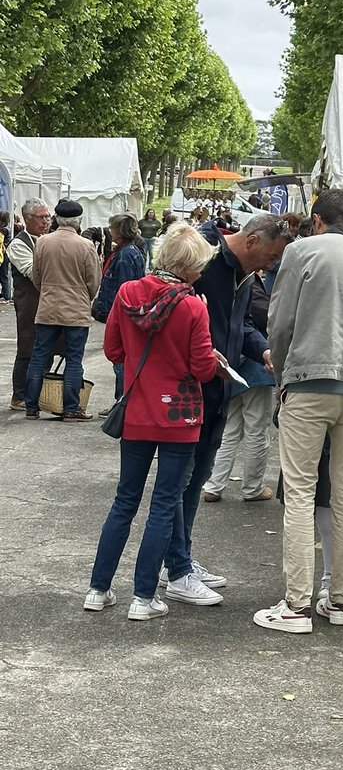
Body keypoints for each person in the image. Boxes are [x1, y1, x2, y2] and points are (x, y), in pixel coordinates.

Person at [254, 188, 343, 634]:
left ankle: (296, 605)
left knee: (299, 491)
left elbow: (281, 320)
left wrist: (280, 370)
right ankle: (339, 601)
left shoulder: (302, 252)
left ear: (316, 220)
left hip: (310, 380)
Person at [83, 222, 224, 621]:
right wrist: (213, 358)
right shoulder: (194, 305)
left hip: (138, 410)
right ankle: (143, 598)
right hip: (181, 415)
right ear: (189, 266)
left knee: (124, 501)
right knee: (165, 503)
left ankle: (99, 588)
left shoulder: (129, 294)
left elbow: (113, 350)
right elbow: (201, 367)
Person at [162, 213, 290, 607]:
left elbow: (241, 324)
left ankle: (180, 559)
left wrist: (263, 348)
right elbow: (174, 309)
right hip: (194, 387)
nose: (271, 266)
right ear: (251, 241)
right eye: (270, 256)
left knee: (196, 476)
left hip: (220, 387)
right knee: (181, 481)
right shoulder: (207, 257)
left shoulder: (243, 272)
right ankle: (177, 569)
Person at [23, 199, 102, 423]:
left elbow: (36, 277)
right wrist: (84, 297)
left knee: (38, 357)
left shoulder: (43, 242)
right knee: (74, 359)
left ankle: (31, 406)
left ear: (57, 219)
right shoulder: (85, 246)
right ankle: (71, 408)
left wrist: (48, 291)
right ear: (78, 221)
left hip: (48, 307)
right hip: (76, 309)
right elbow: (94, 281)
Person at [201, 267, 276, 503]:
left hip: (230, 366)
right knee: (257, 428)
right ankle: (252, 487)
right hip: (256, 366)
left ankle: (214, 485)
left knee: (230, 428)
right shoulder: (248, 280)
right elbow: (264, 316)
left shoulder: (221, 277)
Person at [94, 214, 147, 402]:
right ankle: (123, 402)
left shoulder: (125, 255)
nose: (109, 230)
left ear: (120, 230)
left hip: (122, 315)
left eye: (112, 227)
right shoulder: (129, 251)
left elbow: (125, 290)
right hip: (123, 314)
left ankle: (122, 403)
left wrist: (119, 316)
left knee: (121, 361)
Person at [8, 199, 53, 411]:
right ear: (27, 219)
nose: (46, 221)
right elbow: (30, 270)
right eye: (41, 217)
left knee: (49, 347)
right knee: (27, 347)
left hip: (49, 301)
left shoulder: (50, 240)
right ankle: (19, 396)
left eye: (48, 216)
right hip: (28, 303)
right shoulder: (19, 244)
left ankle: (40, 392)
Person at [0, 210, 11, 303]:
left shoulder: (3, 230)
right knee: (4, 275)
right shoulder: (8, 229)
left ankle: (6, 295)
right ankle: (5, 294)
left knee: (3, 275)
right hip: (5, 255)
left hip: (2, 255)